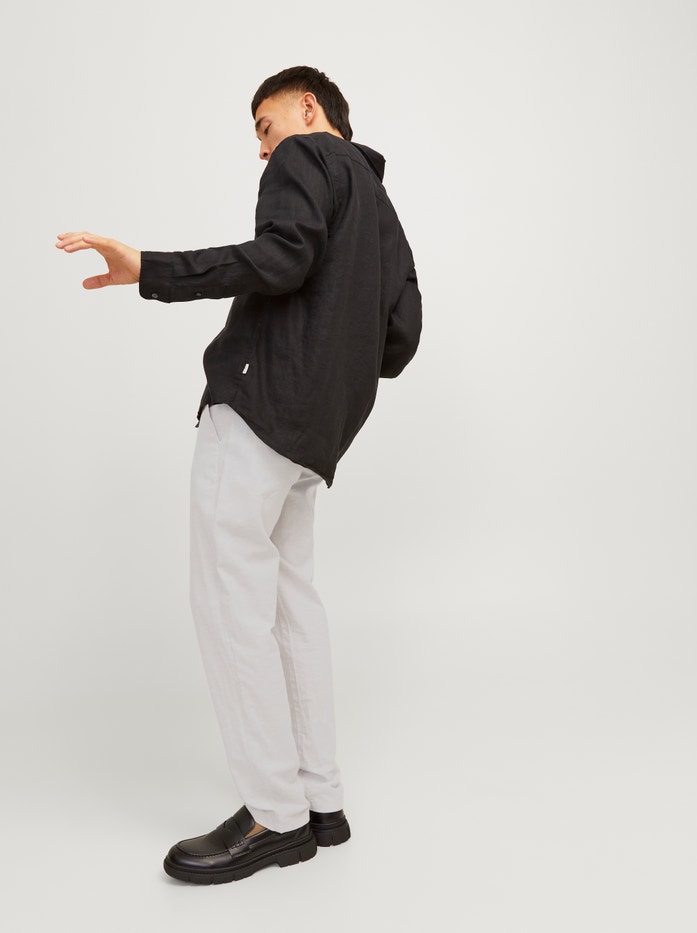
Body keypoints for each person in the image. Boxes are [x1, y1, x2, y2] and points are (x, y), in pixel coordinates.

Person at [56, 65, 421, 885]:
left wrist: (149, 267)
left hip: (257, 410)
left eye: (264, 125)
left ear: (308, 106)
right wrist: (330, 363)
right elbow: (401, 337)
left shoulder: (306, 156)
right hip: (314, 436)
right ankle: (320, 799)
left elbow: (282, 259)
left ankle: (274, 814)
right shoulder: (380, 202)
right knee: (293, 603)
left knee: (230, 605)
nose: (262, 149)